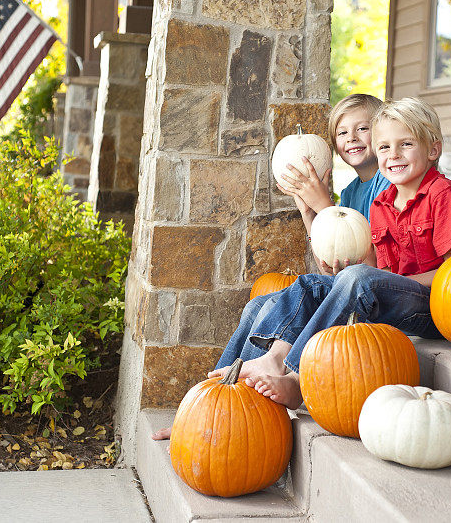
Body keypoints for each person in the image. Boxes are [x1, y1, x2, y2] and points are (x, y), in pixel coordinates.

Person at [206, 97, 451, 410]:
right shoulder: (382, 205)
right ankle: (219, 396)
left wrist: (379, 279)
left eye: (405, 144)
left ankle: (298, 378)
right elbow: (371, 266)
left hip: (436, 310)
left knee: (359, 279)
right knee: (309, 285)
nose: (393, 155)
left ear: (433, 150)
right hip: (391, 299)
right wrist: (348, 259)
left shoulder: (444, 195)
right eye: (384, 148)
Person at [152, 94, 390, 440]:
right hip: (348, 289)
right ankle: (205, 407)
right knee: (257, 306)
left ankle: (277, 378)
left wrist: (324, 204)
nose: (351, 138)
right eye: (341, 132)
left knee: (302, 290)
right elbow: (332, 269)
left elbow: (366, 270)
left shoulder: (388, 184)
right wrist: (309, 212)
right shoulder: (353, 193)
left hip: (370, 298)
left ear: (381, 130)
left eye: (363, 128)